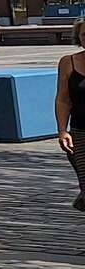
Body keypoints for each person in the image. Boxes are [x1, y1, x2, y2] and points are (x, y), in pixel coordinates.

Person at [56, 23, 85, 212]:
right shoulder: (68, 62)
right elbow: (63, 99)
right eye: (84, 34)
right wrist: (62, 130)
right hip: (80, 133)